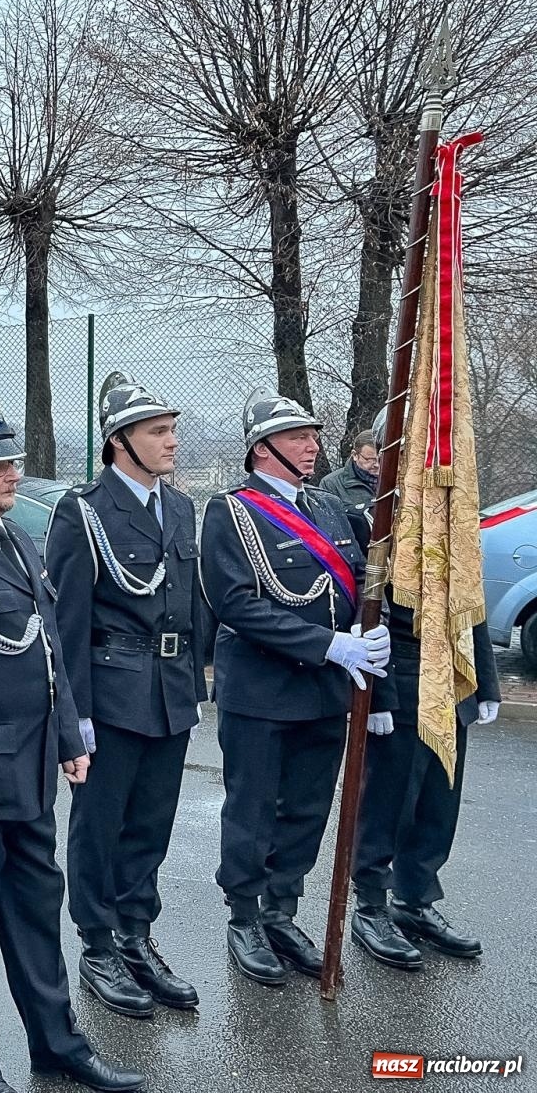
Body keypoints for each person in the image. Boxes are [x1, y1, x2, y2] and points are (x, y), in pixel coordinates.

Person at [0, 404, 142, 1093]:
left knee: (37, 917)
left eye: (11, 463)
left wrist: (72, 731)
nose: (10, 475)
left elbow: (49, 647)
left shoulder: (16, 542)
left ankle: (57, 1043)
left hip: (33, 769)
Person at [199, 392, 390, 987]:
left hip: (326, 691)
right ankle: (245, 917)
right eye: (297, 437)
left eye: (312, 435)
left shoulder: (333, 509)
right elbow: (234, 602)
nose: (311, 445)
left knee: (307, 808)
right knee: (253, 808)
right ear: (262, 449)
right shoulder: (229, 512)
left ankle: (282, 910)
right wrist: (328, 644)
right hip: (261, 689)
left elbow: (362, 583)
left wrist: (368, 638)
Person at [46, 375, 205, 1019]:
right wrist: (74, 714)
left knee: (150, 824)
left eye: (171, 431)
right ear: (120, 443)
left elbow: (190, 605)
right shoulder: (83, 511)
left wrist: (195, 683)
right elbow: (67, 623)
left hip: (169, 693)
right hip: (112, 694)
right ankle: (97, 944)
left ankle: (136, 933)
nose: (170, 443)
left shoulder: (182, 508)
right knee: (100, 825)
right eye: (156, 433)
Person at [347, 407, 501, 969]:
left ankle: (416, 896)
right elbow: (367, 612)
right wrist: (379, 697)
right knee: (389, 795)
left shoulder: (453, 517)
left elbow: (471, 603)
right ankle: (370, 902)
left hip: (451, 669)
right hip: (404, 668)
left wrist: (484, 679)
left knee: (439, 795)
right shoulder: (374, 519)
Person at [318, 429, 379, 511]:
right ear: (355, 455)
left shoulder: (398, 478)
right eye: (369, 459)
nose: (377, 464)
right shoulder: (331, 484)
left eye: (381, 459)